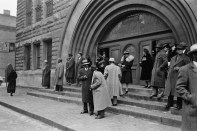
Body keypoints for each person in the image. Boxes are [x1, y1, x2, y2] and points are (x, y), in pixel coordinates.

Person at [176, 43, 197, 131]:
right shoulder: (185, 69)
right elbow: (180, 87)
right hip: (192, 109)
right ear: (194, 55)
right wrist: (192, 98)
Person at [164, 42, 190, 110]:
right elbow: (170, 66)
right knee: (170, 90)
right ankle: (169, 103)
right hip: (171, 76)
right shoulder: (173, 58)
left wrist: (180, 68)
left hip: (179, 76)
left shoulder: (186, 58)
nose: (179, 50)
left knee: (178, 91)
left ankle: (179, 104)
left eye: (181, 49)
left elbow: (188, 67)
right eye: (178, 49)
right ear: (176, 50)